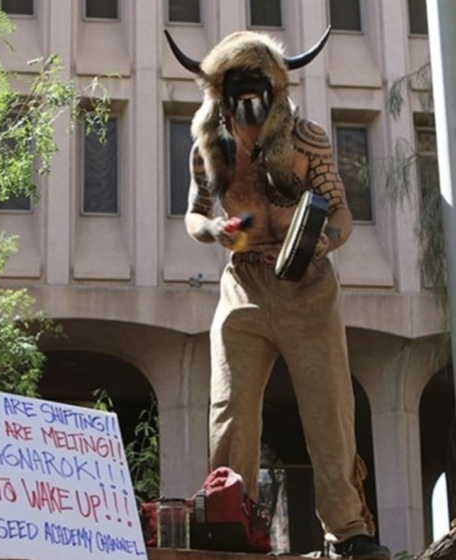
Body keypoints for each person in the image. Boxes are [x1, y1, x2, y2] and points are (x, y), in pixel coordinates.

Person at [165, 27, 391, 560]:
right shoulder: (209, 148)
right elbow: (194, 214)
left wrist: (324, 240)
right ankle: (229, 525)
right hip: (243, 286)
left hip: (308, 288)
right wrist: (214, 230)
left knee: (329, 407)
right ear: (220, 96)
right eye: (236, 93)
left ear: (275, 92)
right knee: (231, 410)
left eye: (257, 92)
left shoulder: (308, 139)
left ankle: (347, 531)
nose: (248, 108)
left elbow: (341, 213)